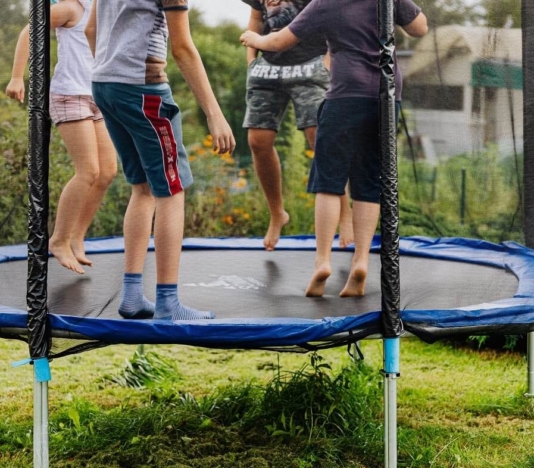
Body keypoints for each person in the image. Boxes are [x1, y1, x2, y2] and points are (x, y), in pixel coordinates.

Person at [241, 0, 428, 297]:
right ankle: (361, 261)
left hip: (344, 95)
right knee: (368, 182)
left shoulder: (326, 2)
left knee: (328, 182)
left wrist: (255, 40)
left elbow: (280, 40)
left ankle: (323, 261)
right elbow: (420, 28)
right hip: (386, 97)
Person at [85, 0, 235, 321]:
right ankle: (168, 302)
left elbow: (90, 29)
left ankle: (131, 296)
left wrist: (111, 65)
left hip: (104, 83)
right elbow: (182, 48)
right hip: (143, 89)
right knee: (172, 189)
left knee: (143, 188)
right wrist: (215, 114)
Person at [6, 0, 117, 275]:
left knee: (107, 172)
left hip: (97, 95)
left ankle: (77, 236)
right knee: (88, 171)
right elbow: (29, 31)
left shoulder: (104, 8)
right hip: (70, 95)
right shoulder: (71, 8)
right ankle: (58, 239)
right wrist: (17, 77)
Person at [241, 0, 353, 251]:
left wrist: (327, 61)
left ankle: (346, 213)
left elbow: (334, 17)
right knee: (258, 141)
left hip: (310, 63)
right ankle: (277, 214)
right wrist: (251, 61)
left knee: (320, 138)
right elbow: (256, 17)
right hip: (267, 67)